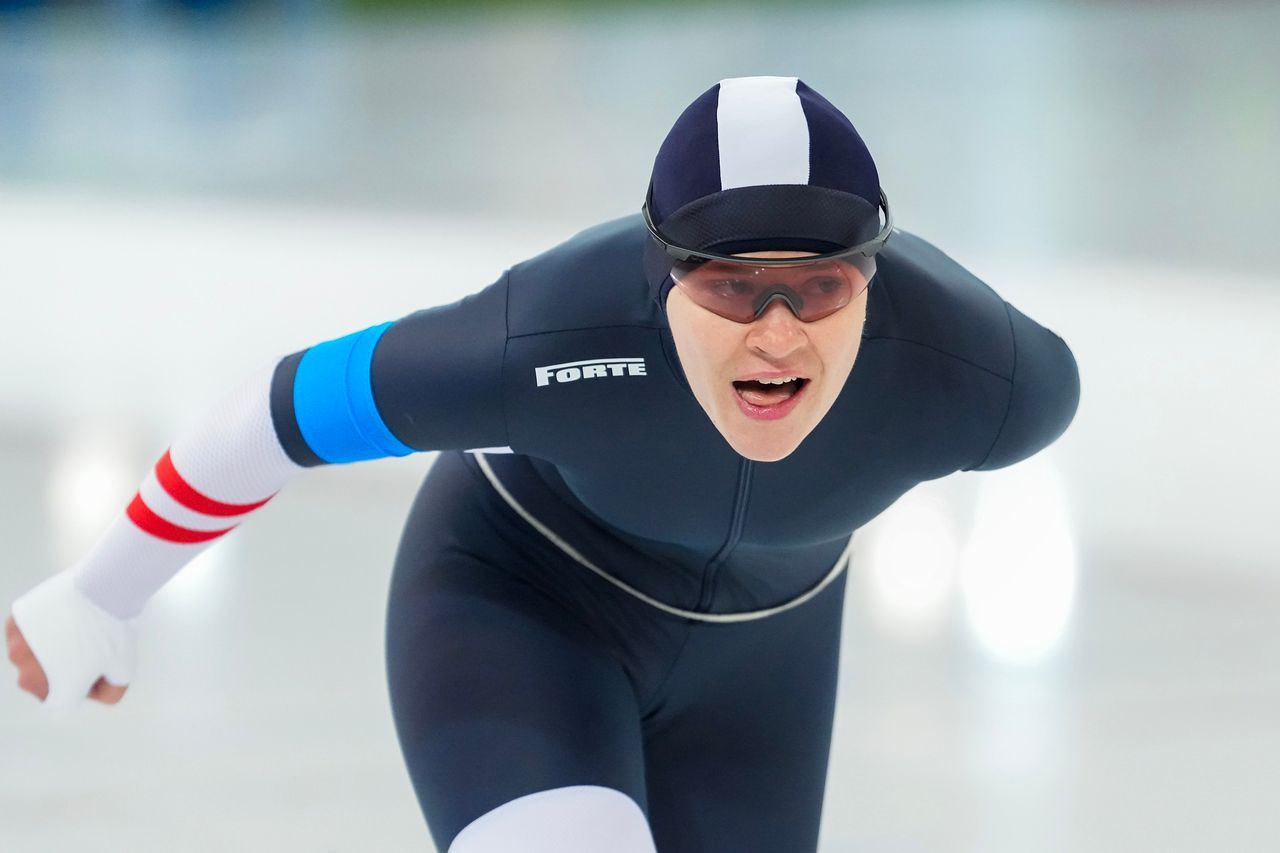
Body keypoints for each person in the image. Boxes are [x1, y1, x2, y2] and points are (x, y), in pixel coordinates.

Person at [5, 76, 1080, 852]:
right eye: (727, 285)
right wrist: (103, 591)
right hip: (522, 610)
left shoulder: (989, 380)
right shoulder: (549, 339)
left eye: (820, 287)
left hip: (765, 664)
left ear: (871, 277)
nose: (775, 331)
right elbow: (279, 412)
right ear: (660, 274)